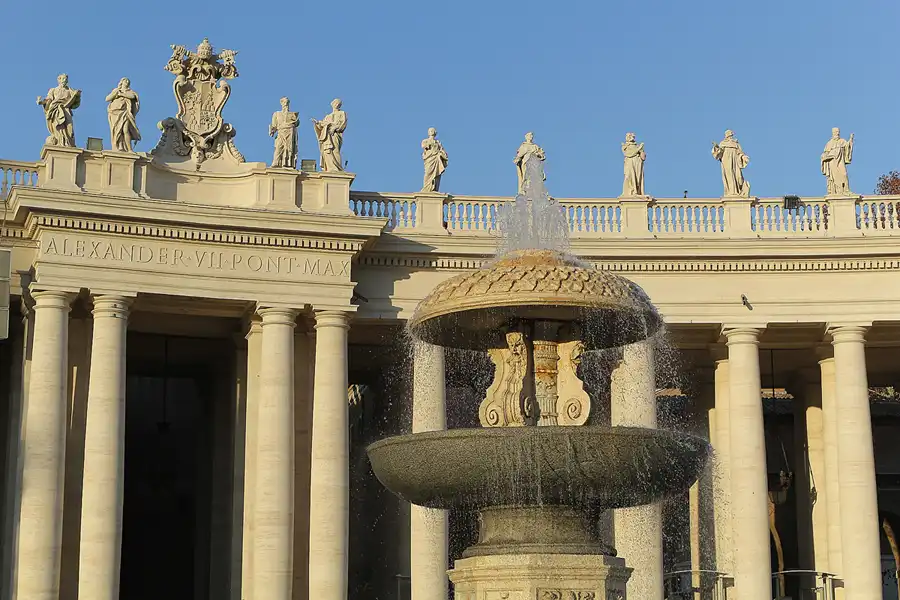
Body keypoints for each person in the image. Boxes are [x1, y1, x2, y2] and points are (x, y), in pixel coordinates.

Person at [37, 73, 82, 147]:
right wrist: (40, 102)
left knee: (69, 128)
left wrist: (77, 96)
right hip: (55, 110)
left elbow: (75, 102)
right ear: (59, 80)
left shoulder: (70, 90)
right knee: (58, 127)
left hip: (66, 110)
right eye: (63, 79)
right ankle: (61, 142)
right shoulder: (54, 90)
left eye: (66, 79)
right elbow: (48, 99)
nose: (65, 80)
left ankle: (68, 142)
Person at [105, 77, 141, 152]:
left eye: (128, 81)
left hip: (125, 113)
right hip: (115, 112)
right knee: (117, 130)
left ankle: (129, 149)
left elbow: (132, 96)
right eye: (125, 80)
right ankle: (118, 146)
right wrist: (115, 94)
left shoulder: (130, 91)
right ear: (122, 82)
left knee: (125, 129)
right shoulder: (116, 90)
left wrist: (121, 94)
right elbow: (107, 99)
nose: (127, 82)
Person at [311, 98, 347, 172]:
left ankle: (337, 168)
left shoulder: (342, 113)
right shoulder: (328, 116)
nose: (336, 104)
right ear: (332, 104)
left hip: (335, 134)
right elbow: (322, 125)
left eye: (338, 103)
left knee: (335, 150)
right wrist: (317, 123)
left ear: (339, 105)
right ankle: (330, 168)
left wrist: (335, 128)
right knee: (327, 150)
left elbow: (343, 123)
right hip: (327, 135)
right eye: (335, 103)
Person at [711, 130, 750, 197]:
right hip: (726, 161)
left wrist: (744, 157)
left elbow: (740, 153)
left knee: (738, 177)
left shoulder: (736, 144)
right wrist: (716, 147)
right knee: (729, 175)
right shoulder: (723, 143)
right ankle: (732, 192)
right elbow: (719, 152)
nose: (730, 136)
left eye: (731, 135)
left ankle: (739, 191)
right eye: (729, 135)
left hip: (735, 162)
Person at [821, 127, 854, 195]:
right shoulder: (829, 143)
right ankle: (836, 191)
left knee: (844, 174)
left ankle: (846, 190)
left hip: (840, 162)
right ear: (833, 133)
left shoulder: (842, 141)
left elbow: (847, 147)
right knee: (834, 178)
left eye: (838, 131)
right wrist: (828, 156)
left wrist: (850, 140)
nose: (837, 133)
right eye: (836, 132)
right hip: (833, 162)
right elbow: (825, 154)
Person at [269, 97, 299, 168]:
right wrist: (272, 130)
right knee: (279, 147)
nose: (286, 105)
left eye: (287, 103)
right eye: (284, 103)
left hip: (290, 132)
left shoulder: (292, 114)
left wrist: (296, 121)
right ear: (281, 103)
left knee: (289, 149)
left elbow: (297, 123)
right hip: (281, 132)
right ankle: (276, 162)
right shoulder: (277, 114)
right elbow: (274, 125)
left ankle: (287, 164)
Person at [421, 127, 449, 192]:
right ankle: (426, 188)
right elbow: (424, 146)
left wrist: (441, 154)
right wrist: (429, 144)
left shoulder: (438, 142)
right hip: (429, 159)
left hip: (436, 159)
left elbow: (442, 151)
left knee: (437, 174)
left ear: (435, 133)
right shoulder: (425, 141)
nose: (432, 131)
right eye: (430, 130)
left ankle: (434, 189)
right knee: (428, 173)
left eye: (433, 130)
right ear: (428, 133)